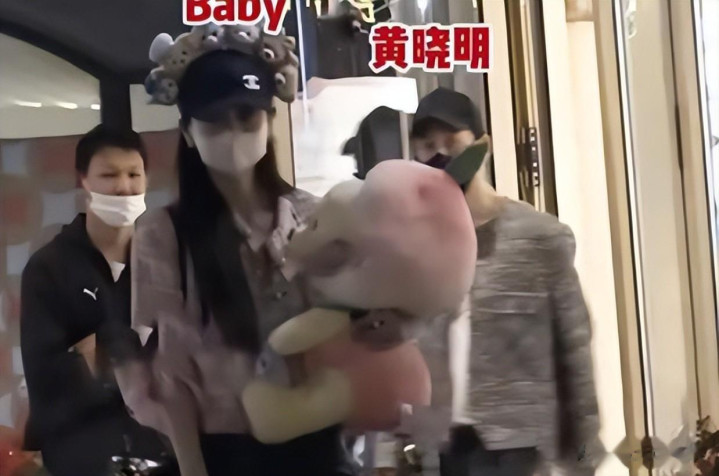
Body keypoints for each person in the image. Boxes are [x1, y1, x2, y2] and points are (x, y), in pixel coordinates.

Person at [111, 28, 357, 476]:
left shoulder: (312, 215)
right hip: (225, 451)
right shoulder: (163, 233)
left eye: (247, 117)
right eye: (215, 121)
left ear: (269, 120)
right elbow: (173, 372)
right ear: (188, 133)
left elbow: (343, 326)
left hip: (318, 441)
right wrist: (192, 467)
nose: (234, 133)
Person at [410, 88, 603, 476]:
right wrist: (389, 453)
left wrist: (584, 458)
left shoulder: (540, 237)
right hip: (441, 448)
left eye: (452, 141)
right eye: (428, 145)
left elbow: (574, 353)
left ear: (482, 145)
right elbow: (397, 348)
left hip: (519, 448)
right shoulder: (414, 245)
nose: (440, 154)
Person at [20, 125, 174, 476]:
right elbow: (48, 381)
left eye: (134, 174)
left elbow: (184, 357)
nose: (124, 186)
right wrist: (128, 345)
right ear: (84, 180)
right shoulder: (49, 268)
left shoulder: (165, 261)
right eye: (109, 175)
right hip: (82, 456)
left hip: (165, 449)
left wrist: (96, 352)